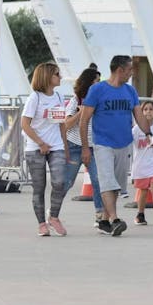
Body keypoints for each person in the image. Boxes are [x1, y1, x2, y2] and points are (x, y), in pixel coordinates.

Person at [79, 55, 153, 236]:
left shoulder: (130, 91)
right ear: (120, 70)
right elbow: (84, 120)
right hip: (102, 143)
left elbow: (138, 114)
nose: (131, 73)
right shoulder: (97, 90)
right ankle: (115, 219)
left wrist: (149, 133)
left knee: (116, 185)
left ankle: (104, 221)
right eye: (129, 70)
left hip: (124, 143)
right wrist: (85, 147)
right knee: (106, 182)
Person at [21, 62, 69, 236]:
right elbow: (25, 124)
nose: (60, 77)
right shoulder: (35, 98)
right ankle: (41, 223)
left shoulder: (58, 96)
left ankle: (54, 217)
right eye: (57, 74)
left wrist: (65, 146)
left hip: (56, 146)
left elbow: (62, 124)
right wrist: (40, 143)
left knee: (60, 182)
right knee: (39, 187)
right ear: (47, 76)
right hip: (35, 147)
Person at [64, 67, 103, 225]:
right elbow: (66, 124)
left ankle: (100, 216)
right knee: (67, 181)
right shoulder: (76, 100)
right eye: (96, 81)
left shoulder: (100, 100)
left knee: (98, 180)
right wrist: (81, 112)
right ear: (89, 82)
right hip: (74, 144)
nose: (99, 84)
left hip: (94, 146)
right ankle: (53, 211)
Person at [131, 100, 153, 225]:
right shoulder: (136, 130)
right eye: (145, 109)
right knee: (143, 190)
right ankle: (140, 214)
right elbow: (129, 141)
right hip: (141, 164)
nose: (148, 112)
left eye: (151, 109)